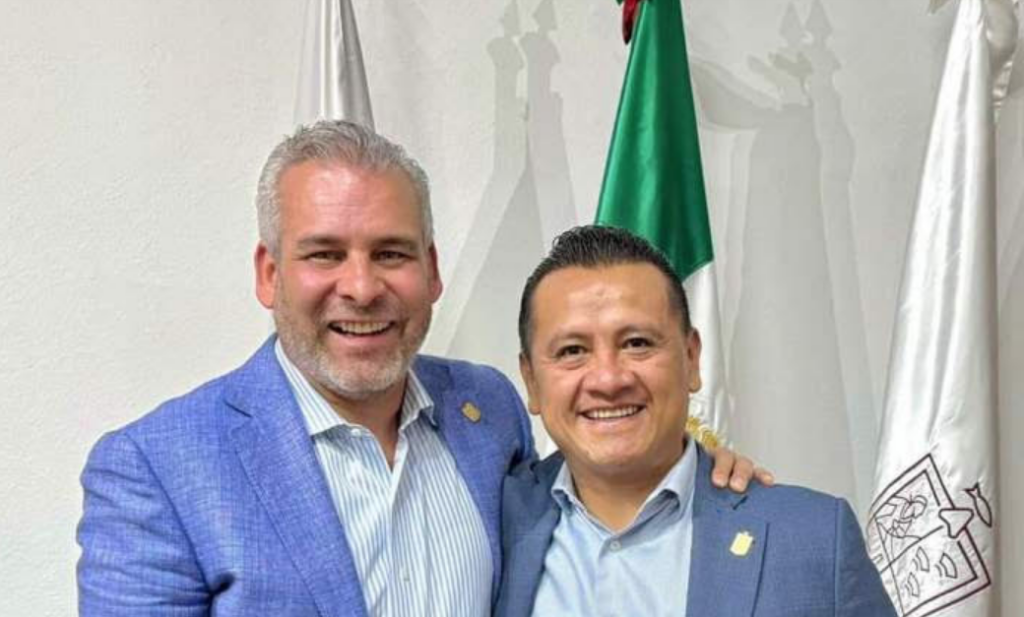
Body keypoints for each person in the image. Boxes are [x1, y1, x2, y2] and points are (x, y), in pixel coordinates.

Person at [76, 121, 765, 616]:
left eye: (391, 253)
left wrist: (698, 467)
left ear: (431, 271)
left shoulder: (488, 410)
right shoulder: (156, 467)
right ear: (269, 273)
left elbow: (585, 504)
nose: (361, 287)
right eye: (324, 254)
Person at [495, 225, 896, 617]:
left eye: (637, 343)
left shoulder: (815, 539)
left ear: (691, 357)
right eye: (572, 351)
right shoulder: (491, 527)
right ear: (531, 380)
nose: (609, 379)